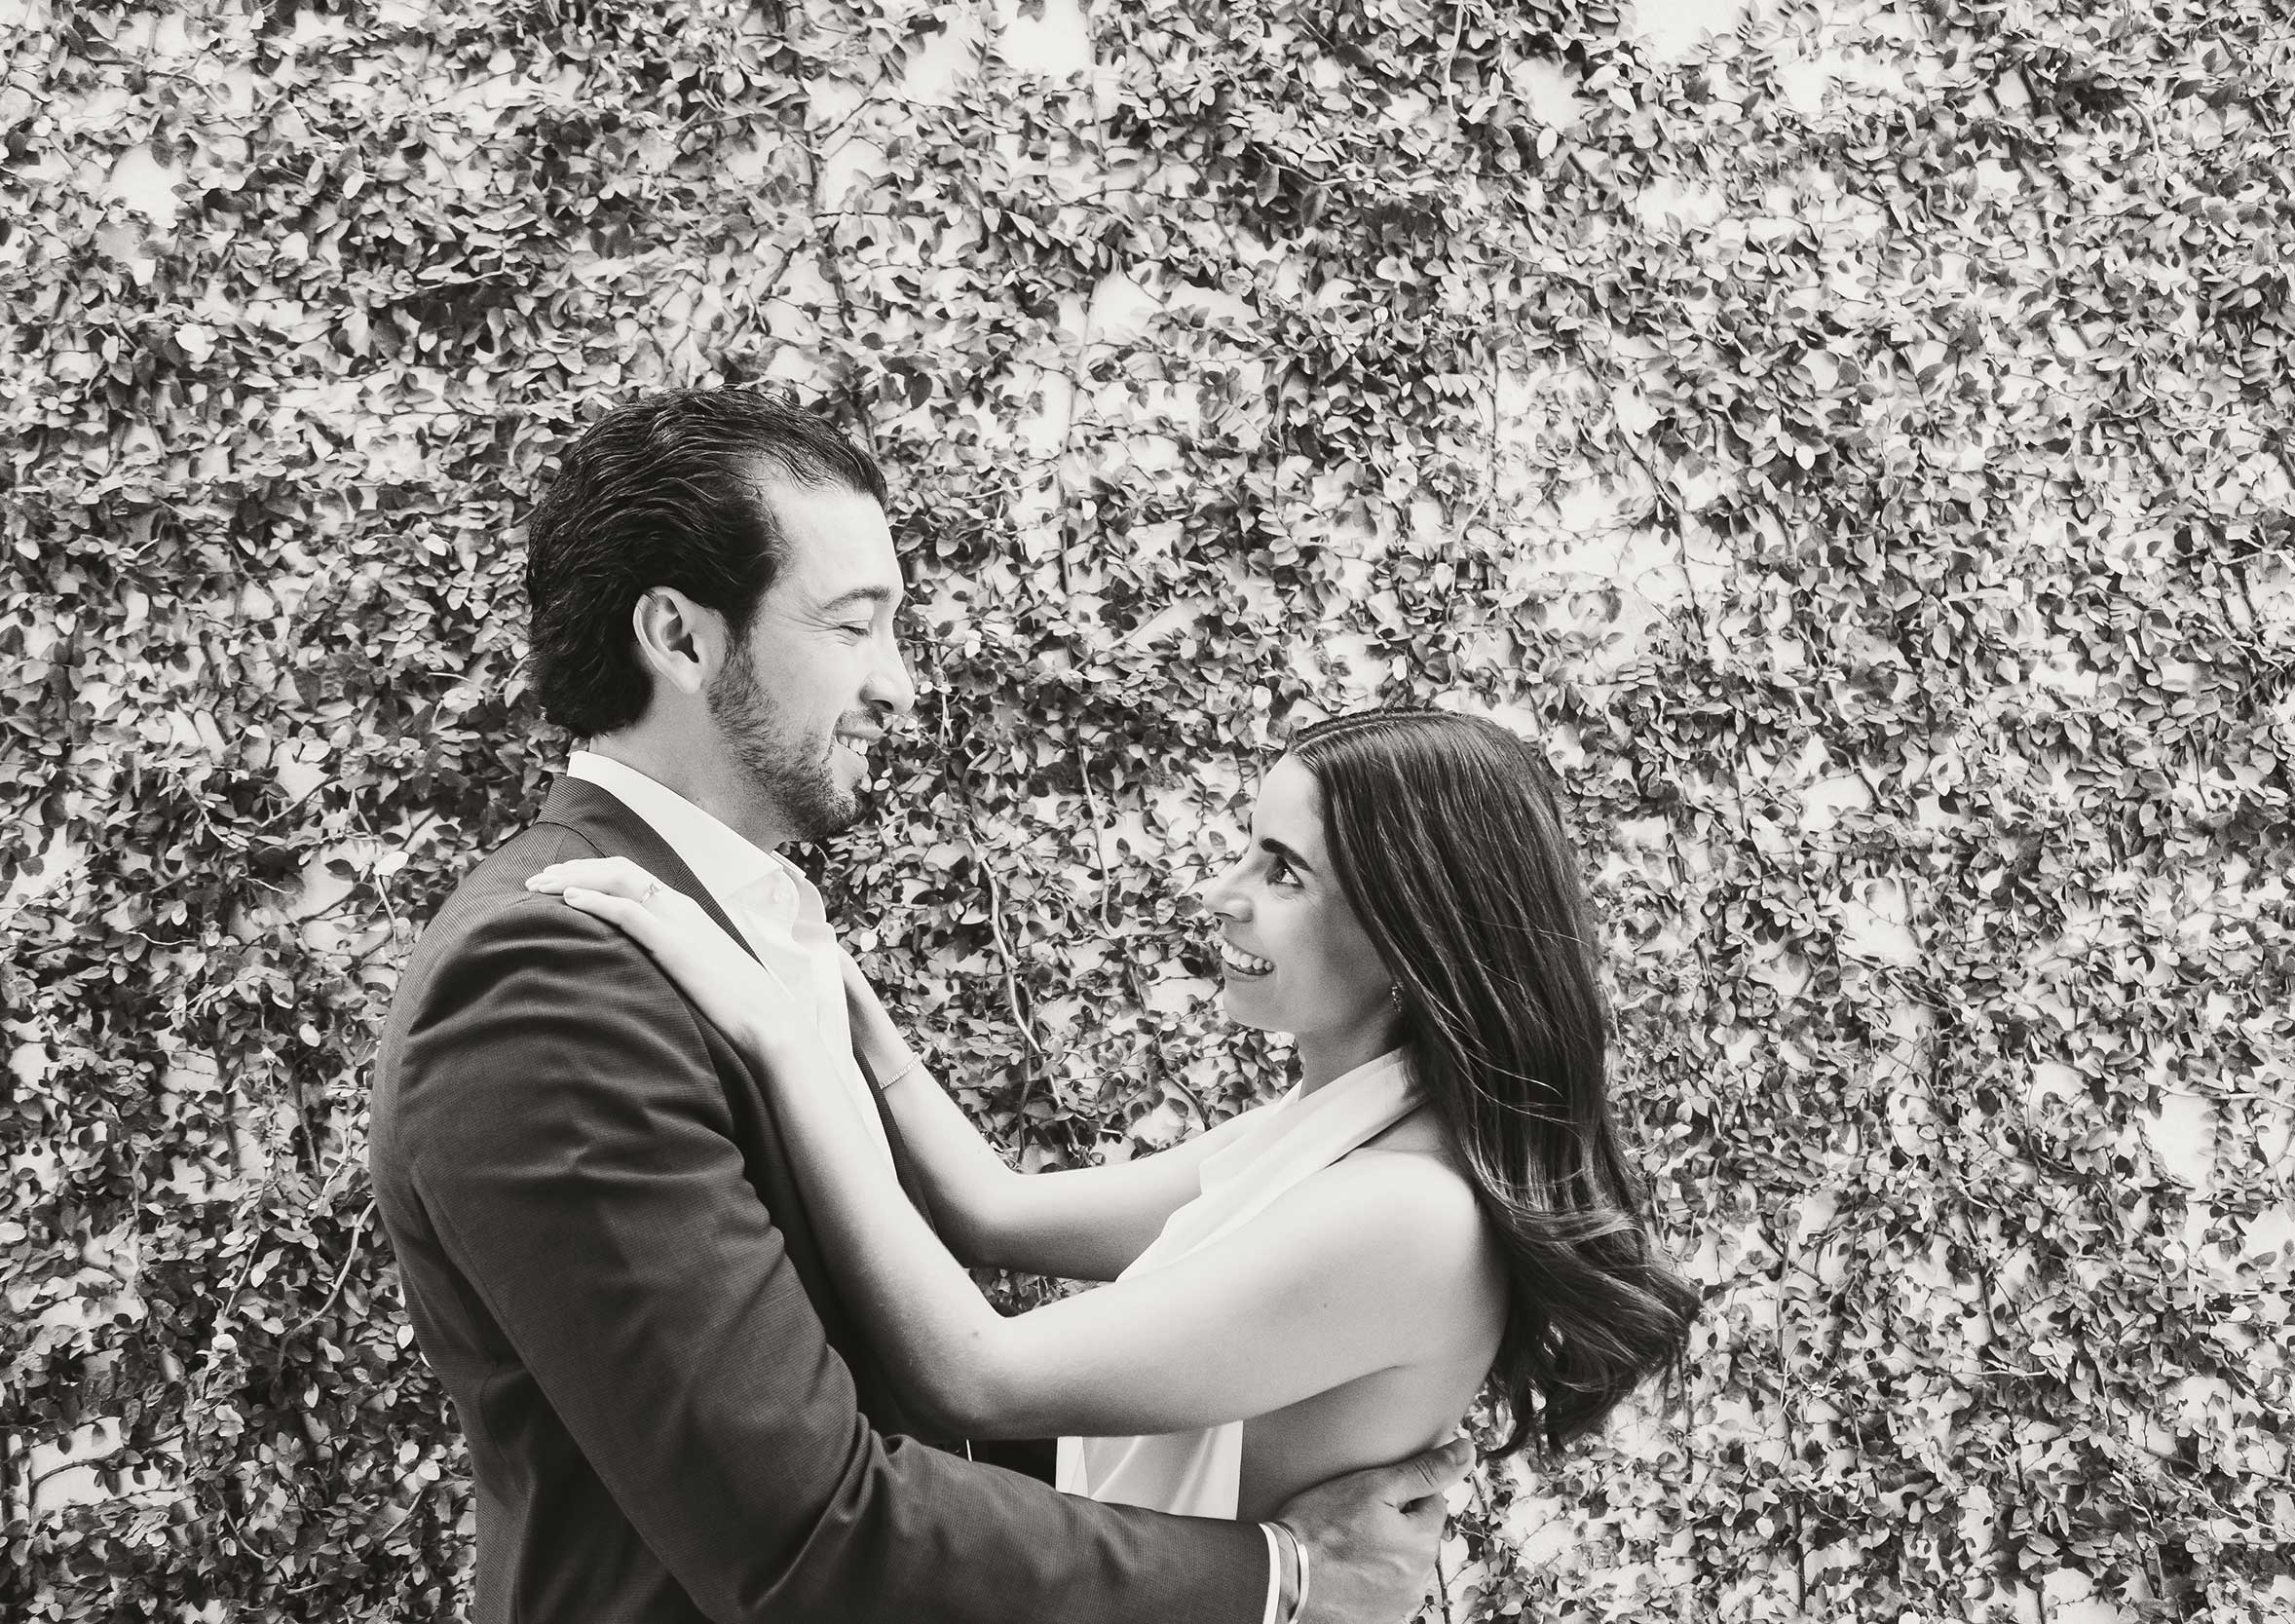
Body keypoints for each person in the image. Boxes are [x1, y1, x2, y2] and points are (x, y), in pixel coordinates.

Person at [369, 387, 1469, 1624]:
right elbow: (803, 1531)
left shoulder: (745, 932)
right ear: (680, 636)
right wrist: (1275, 1577)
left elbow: (880, 1402)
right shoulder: (551, 979)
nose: (899, 683)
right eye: (853, 625)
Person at [530, 706, 1700, 1526]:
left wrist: (779, 1040)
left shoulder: (1406, 1210)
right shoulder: (1333, 1127)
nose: (1219, 893)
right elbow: (991, 1209)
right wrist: (815, 973)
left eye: (1283, 870)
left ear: (1413, 935)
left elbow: (976, 1375)